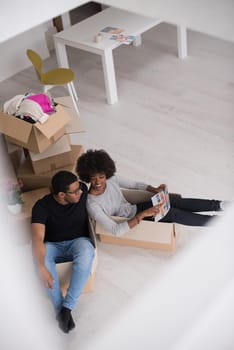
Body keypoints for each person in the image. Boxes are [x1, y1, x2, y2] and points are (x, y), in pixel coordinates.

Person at [76, 149, 226, 237]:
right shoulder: (92, 204)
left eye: (101, 177)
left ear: (106, 173)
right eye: (93, 178)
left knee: (173, 200)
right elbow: (116, 231)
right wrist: (144, 214)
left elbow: (135, 184)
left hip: (135, 209)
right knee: (172, 214)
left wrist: (154, 189)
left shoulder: (111, 179)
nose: (97, 182)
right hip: (132, 221)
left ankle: (220, 205)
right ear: (86, 177)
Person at [31, 170, 95, 333]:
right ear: (61, 194)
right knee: (42, 260)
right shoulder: (41, 207)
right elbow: (37, 239)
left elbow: (100, 184)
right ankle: (61, 309)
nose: (80, 192)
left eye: (79, 188)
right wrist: (41, 268)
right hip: (53, 245)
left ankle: (67, 308)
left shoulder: (82, 191)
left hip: (78, 242)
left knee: (87, 250)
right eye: (74, 192)